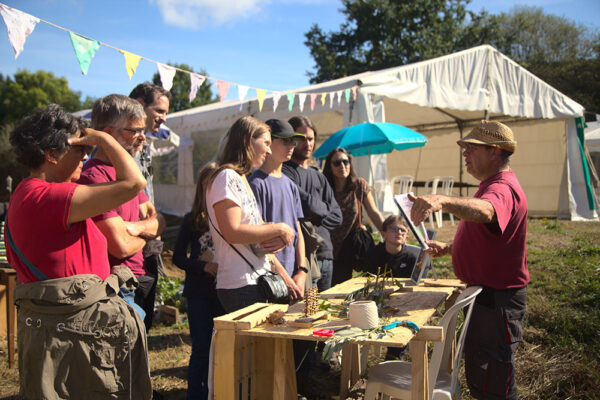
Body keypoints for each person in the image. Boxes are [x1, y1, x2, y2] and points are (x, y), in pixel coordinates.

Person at [5, 104, 151, 399]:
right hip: (75, 339)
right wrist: (105, 139)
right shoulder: (50, 196)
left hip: (67, 333)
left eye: (88, 149)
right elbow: (134, 183)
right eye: (79, 149)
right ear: (51, 154)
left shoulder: (29, 192)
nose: (85, 157)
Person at [409, 120, 528, 400]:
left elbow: (487, 212)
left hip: (497, 301)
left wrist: (443, 200)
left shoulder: (501, 188)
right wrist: (451, 248)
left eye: (472, 148)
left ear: (495, 151)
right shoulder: (491, 185)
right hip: (488, 298)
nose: (465, 154)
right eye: (464, 148)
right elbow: (490, 235)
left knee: (494, 381)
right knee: (482, 374)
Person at [78, 94, 166, 331]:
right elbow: (119, 246)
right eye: (134, 131)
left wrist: (135, 228)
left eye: (143, 130)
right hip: (116, 285)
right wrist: (148, 233)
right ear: (108, 134)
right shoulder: (94, 177)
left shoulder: (123, 173)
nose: (142, 137)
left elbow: (157, 218)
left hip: (139, 277)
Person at [205, 115, 301, 313]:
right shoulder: (226, 177)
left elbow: (252, 228)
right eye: (265, 143)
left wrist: (276, 236)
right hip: (240, 284)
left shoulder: (240, 178)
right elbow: (232, 231)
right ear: (246, 141)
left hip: (252, 281)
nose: (268, 149)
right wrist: (279, 228)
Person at [173, 162, 224, 400]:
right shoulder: (192, 219)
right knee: (202, 348)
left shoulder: (227, 216)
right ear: (201, 186)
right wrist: (203, 265)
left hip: (225, 292)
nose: (213, 186)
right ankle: (196, 394)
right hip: (199, 294)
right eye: (209, 181)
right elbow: (177, 258)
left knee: (221, 349)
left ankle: (218, 391)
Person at [249, 119, 309, 293]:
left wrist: (302, 270)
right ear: (269, 142)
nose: (292, 145)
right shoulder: (255, 184)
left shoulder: (290, 185)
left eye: (293, 141)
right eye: (285, 140)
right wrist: (284, 277)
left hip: (294, 277)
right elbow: (257, 239)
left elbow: (297, 230)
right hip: (269, 280)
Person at [284, 116, 342, 291]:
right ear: (290, 140)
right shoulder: (285, 172)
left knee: (325, 313)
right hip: (302, 258)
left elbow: (337, 216)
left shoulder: (318, 175)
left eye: (310, 139)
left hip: (326, 255)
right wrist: (317, 210)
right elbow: (310, 206)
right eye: (301, 138)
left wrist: (312, 215)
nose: (307, 143)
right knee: (304, 314)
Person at [322, 147, 384, 285]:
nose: (342, 166)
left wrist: (386, 232)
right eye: (337, 163)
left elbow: (373, 212)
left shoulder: (359, 185)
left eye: (346, 161)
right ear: (330, 166)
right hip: (328, 246)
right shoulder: (324, 188)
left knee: (347, 287)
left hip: (350, 247)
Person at [129, 82, 171, 204]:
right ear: (140, 104)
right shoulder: (120, 146)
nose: (164, 118)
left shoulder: (144, 147)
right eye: (159, 111)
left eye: (166, 113)